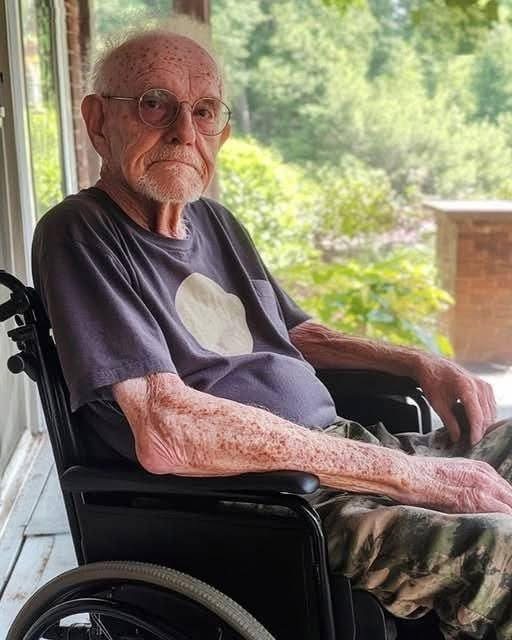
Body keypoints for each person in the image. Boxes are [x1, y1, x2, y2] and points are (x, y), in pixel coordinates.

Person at [32, 18, 512, 640]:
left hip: (340, 452)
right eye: (155, 104)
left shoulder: (215, 223)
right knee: (502, 549)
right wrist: (413, 476)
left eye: (204, 111)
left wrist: (418, 362)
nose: (184, 131)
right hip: (272, 502)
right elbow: (165, 427)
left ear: (222, 132)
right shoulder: (80, 232)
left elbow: (298, 334)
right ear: (99, 120)